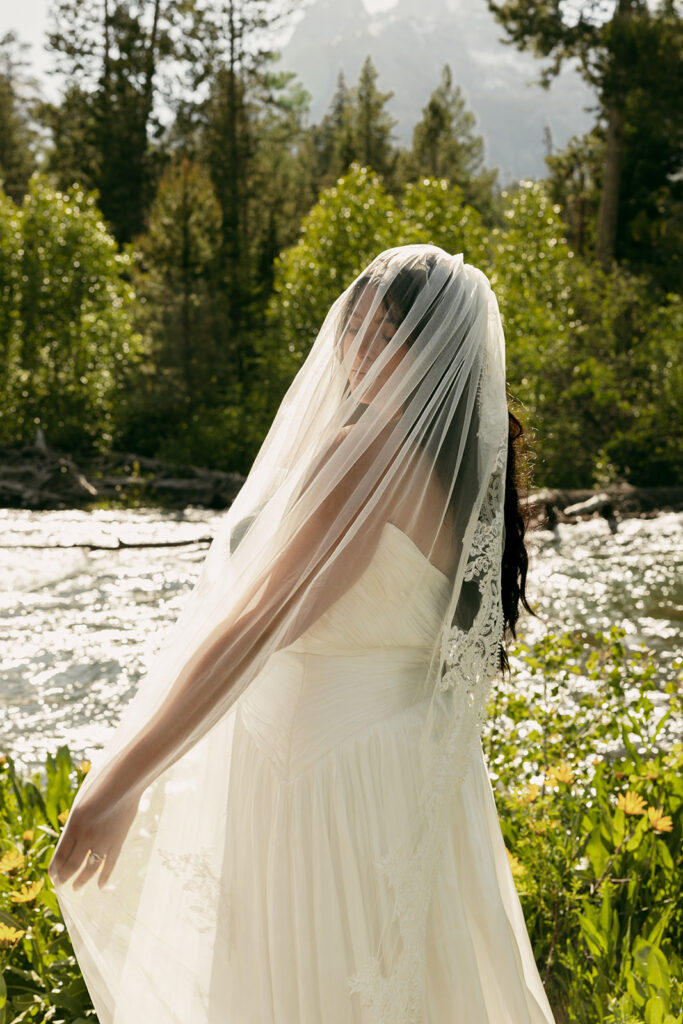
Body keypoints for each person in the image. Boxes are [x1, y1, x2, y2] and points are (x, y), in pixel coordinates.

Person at [49, 244, 557, 1023]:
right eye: (352, 326)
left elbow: (258, 626)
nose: (356, 352)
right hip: (393, 773)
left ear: (434, 352)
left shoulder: (368, 452)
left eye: (385, 332)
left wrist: (117, 782)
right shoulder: (457, 476)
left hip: (322, 782)